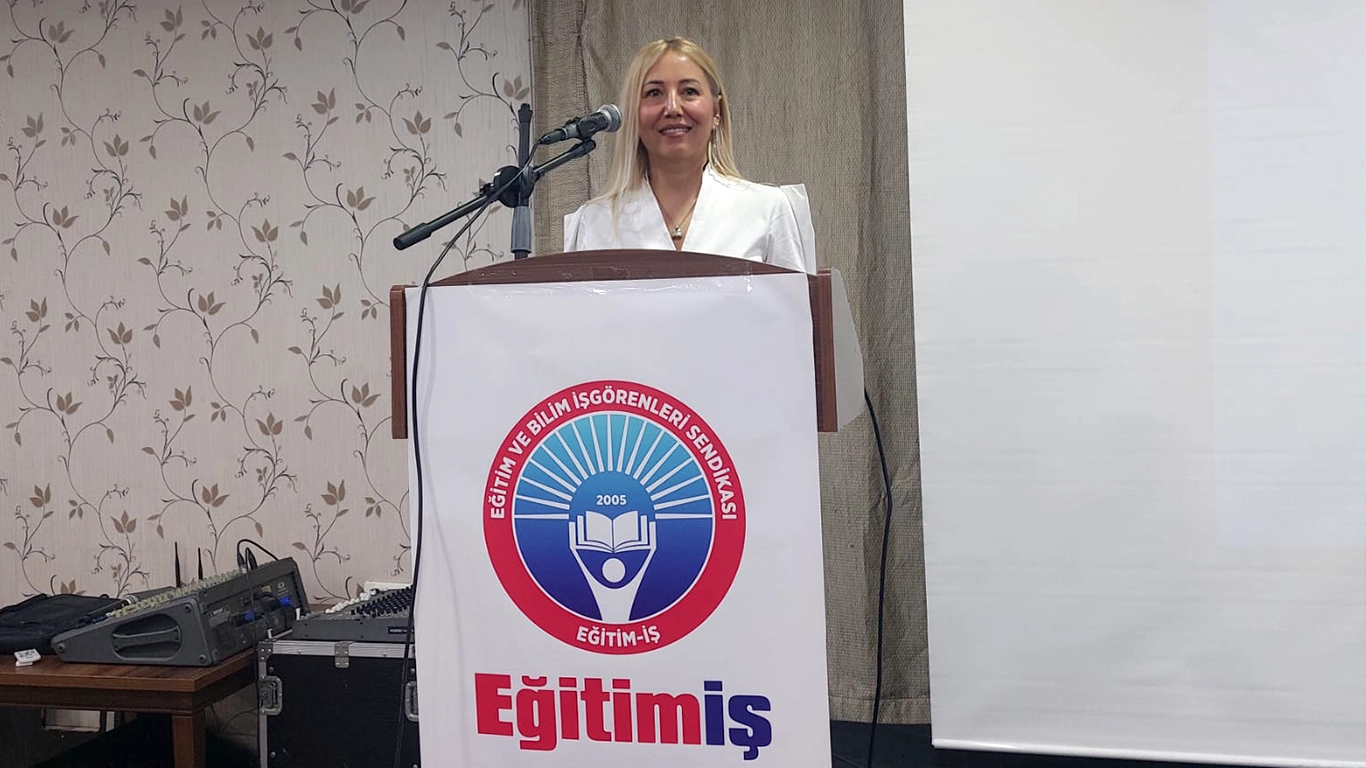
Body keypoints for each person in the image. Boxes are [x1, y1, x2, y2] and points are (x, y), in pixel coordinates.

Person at [562, 37, 816, 274]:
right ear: (634, 115)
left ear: (716, 111)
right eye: (654, 93)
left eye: (689, 91)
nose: (673, 108)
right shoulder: (595, 221)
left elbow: (796, 305)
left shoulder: (767, 209)